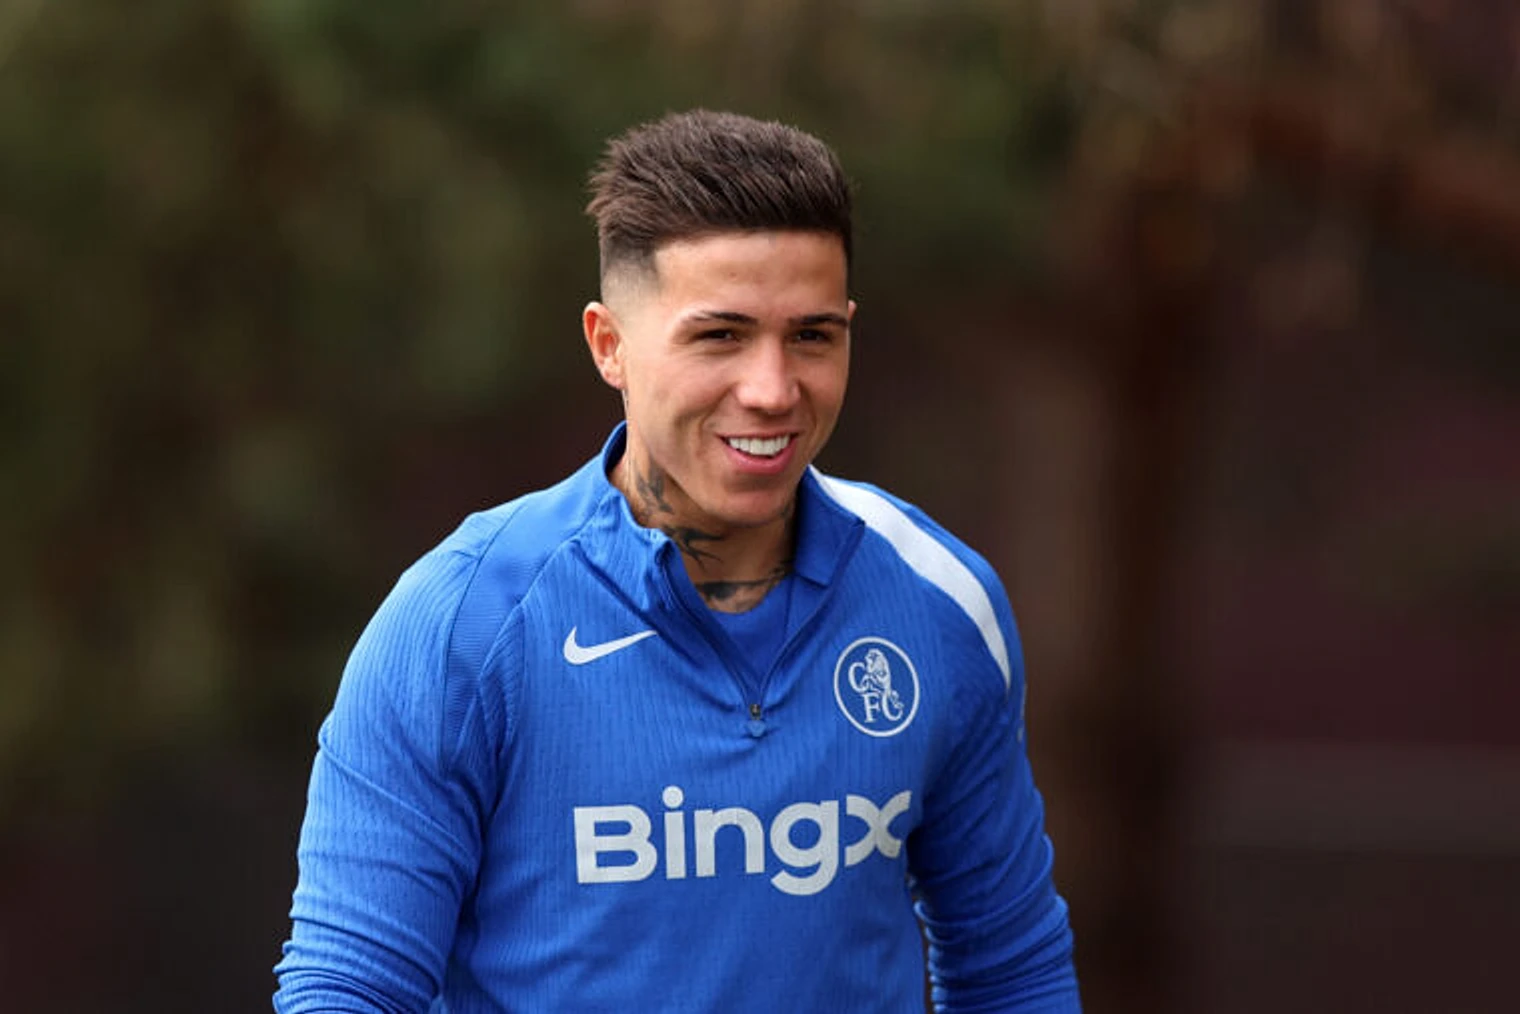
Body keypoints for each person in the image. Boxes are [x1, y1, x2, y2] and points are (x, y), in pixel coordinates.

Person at [274, 109, 1080, 1013]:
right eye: (720, 336)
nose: (772, 389)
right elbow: (347, 988)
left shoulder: (939, 601)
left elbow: (1012, 971)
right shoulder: (463, 624)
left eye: (812, 336)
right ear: (609, 345)